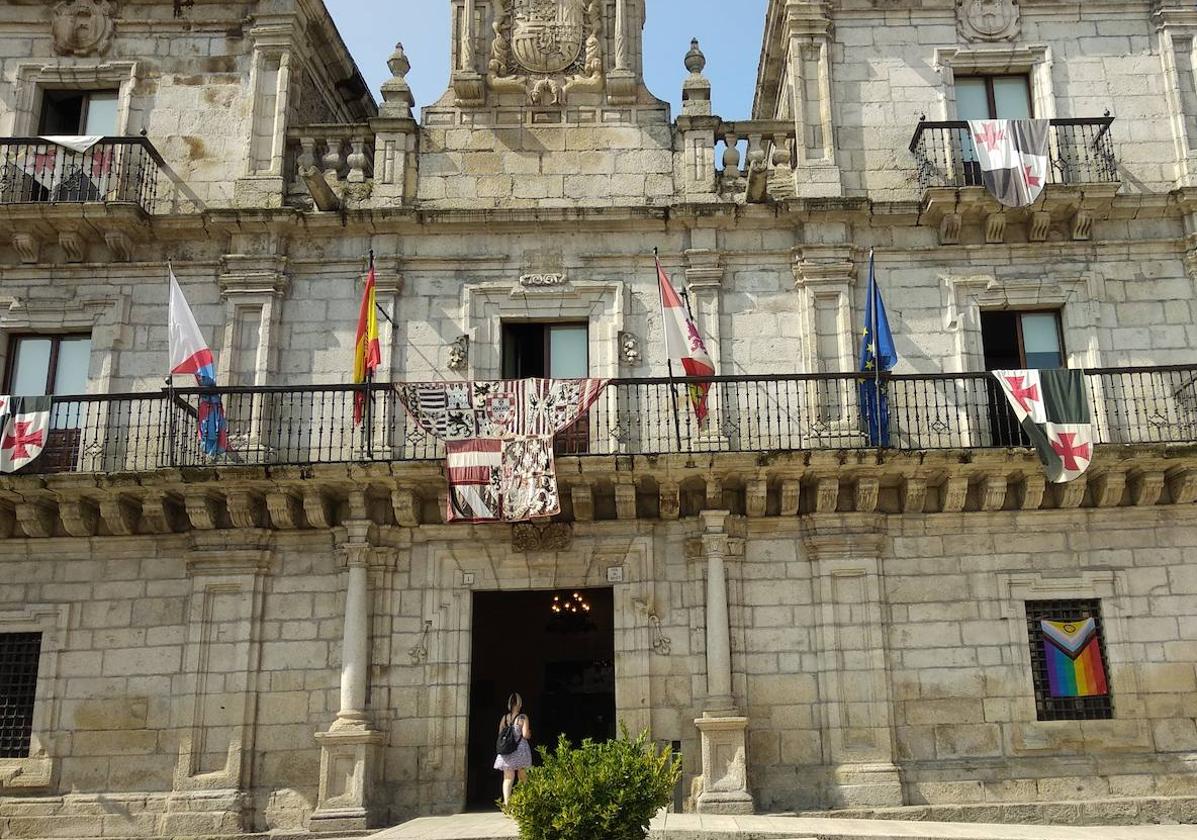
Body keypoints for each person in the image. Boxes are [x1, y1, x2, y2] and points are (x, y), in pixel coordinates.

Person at [493, 692, 532, 806]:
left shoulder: (504, 718)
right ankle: (523, 802)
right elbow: (524, 735)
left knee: (508, 778)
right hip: (520, 750)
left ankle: (507, 803)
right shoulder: (523, 717)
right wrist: (529, 733)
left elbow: (500, 734)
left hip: (506, 752)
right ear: (519, 704)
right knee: (523, 777)